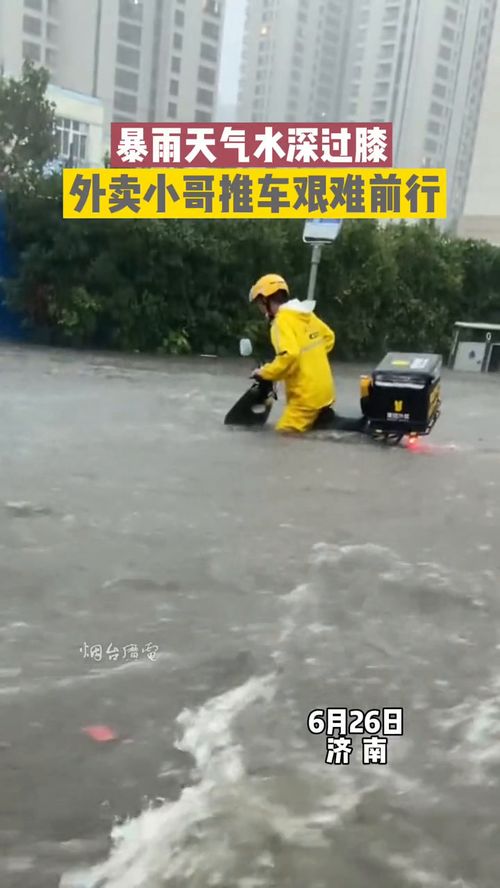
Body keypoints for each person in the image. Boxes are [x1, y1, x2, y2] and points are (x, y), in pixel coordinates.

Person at [248, 273, 336, 434]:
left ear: (265, 300)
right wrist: (311, 360)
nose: (261, 310)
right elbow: (329, 337)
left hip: (305, 399)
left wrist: (265, 372)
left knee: (283, 436)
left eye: (259, 304)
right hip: (324, 392)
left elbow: (289, 355)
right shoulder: (304, 314)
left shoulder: (281, 322)